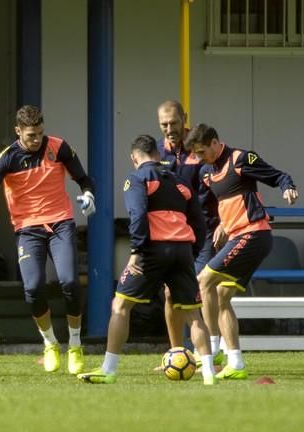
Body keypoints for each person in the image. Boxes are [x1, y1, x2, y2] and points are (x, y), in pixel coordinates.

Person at [0, 105, 95, 375]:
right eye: (31, 135)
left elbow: (83, 178)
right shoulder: (7, 158)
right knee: (33, 288)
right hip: (27, 230)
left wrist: (89, 194)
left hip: (60, 224)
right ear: (18, 131)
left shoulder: (58, 147)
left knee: (69, 281)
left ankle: (75, 345)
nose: (37, 140)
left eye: (40, 134)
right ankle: (49, 344)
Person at [77, 134, 217, 385]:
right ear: (156, 153)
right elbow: (199, 222)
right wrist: (191, 252)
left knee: (120, 306)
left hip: (151, 253)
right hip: (182, 252)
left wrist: (136, 252)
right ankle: (208, 373)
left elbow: (138, 215)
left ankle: (108, 369)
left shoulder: (137, 179)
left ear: (134, 158)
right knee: (194, 315)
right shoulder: (181, 182)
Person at [184, 123, 298, 380]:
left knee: (203, 280)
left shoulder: (241, 159)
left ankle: (211, 352)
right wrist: (224, 223)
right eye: (197, 154)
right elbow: (229, 200)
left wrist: (287, 187)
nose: (201, 157)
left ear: (215, 142)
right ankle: (235, 362)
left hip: (254, 234)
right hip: (239, 235)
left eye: (203, 151)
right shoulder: (206, 172)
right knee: (222, 296)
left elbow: (277, 176)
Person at [156, 100, 224, 366]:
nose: (169, 129)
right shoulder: (158, 152)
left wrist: (223, 222)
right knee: (171, 293)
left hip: (205, 232)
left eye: (174, 122)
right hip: (173, 234)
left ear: (184, 118)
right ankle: (176, 355)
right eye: (164, 124)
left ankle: (212, 355)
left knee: (201, 289)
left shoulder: (200, 147)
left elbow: (223, 184)